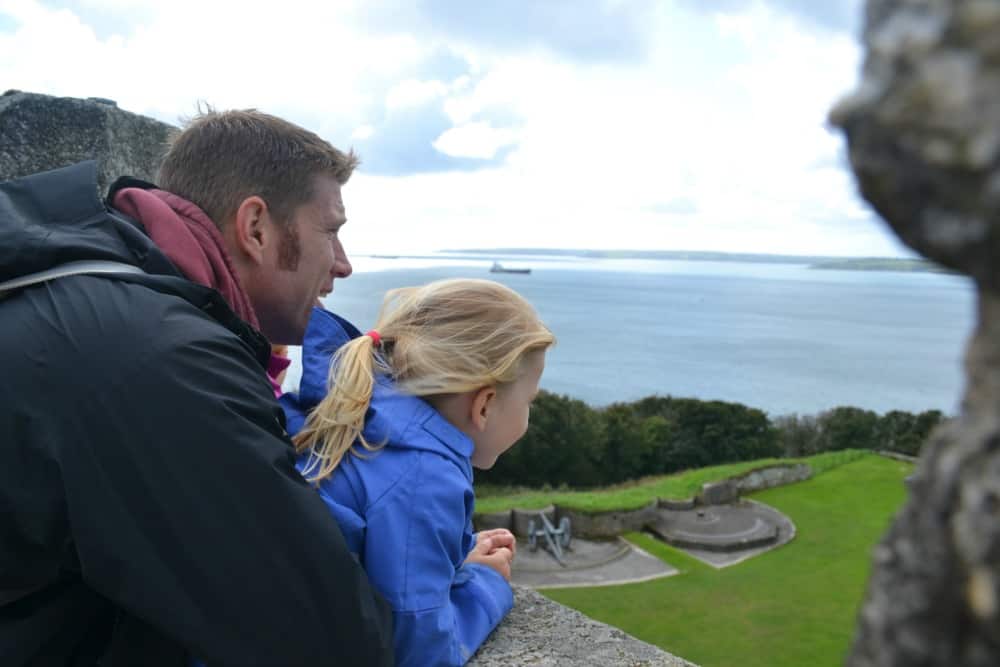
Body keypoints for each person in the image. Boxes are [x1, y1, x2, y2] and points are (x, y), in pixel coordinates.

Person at [0, 110, 394, 665]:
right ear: (256, 227)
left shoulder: (86, 286)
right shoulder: (158, 356)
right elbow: (330, 639)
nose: (344, 265)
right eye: (330, 231)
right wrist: (472, 585)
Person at [281, 278, 555, 666]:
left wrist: (456, 563)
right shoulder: (425, 478)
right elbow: (422, 653)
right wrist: (487, 586)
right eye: (530, 401)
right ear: (485, 406)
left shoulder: (356, 417)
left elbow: (386, 554)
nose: (529, 416)